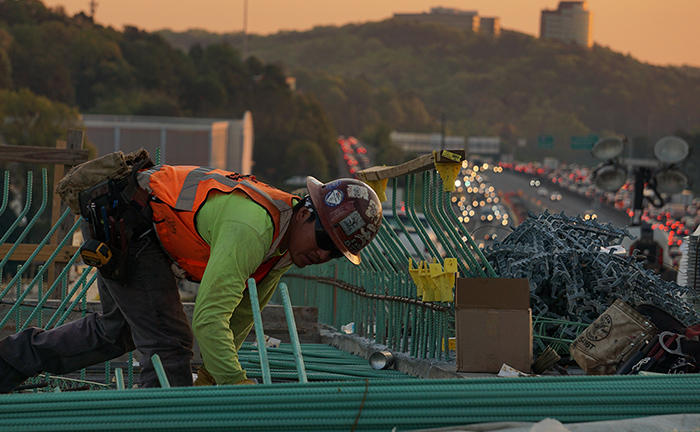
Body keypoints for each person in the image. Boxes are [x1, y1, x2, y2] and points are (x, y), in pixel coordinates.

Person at [0, 164, 383, 391]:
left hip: (131, 225)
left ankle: (6, 362)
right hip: (129, 224)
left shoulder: (284, 250)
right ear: (305, 213)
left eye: (334, 252)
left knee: (117, 332)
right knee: (169, 343)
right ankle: (164, 420)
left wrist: (210, 384)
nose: (321, 254)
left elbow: (236, 322)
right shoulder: (254, 230)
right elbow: (208, 317)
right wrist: (238, 388)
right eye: (323, 239)